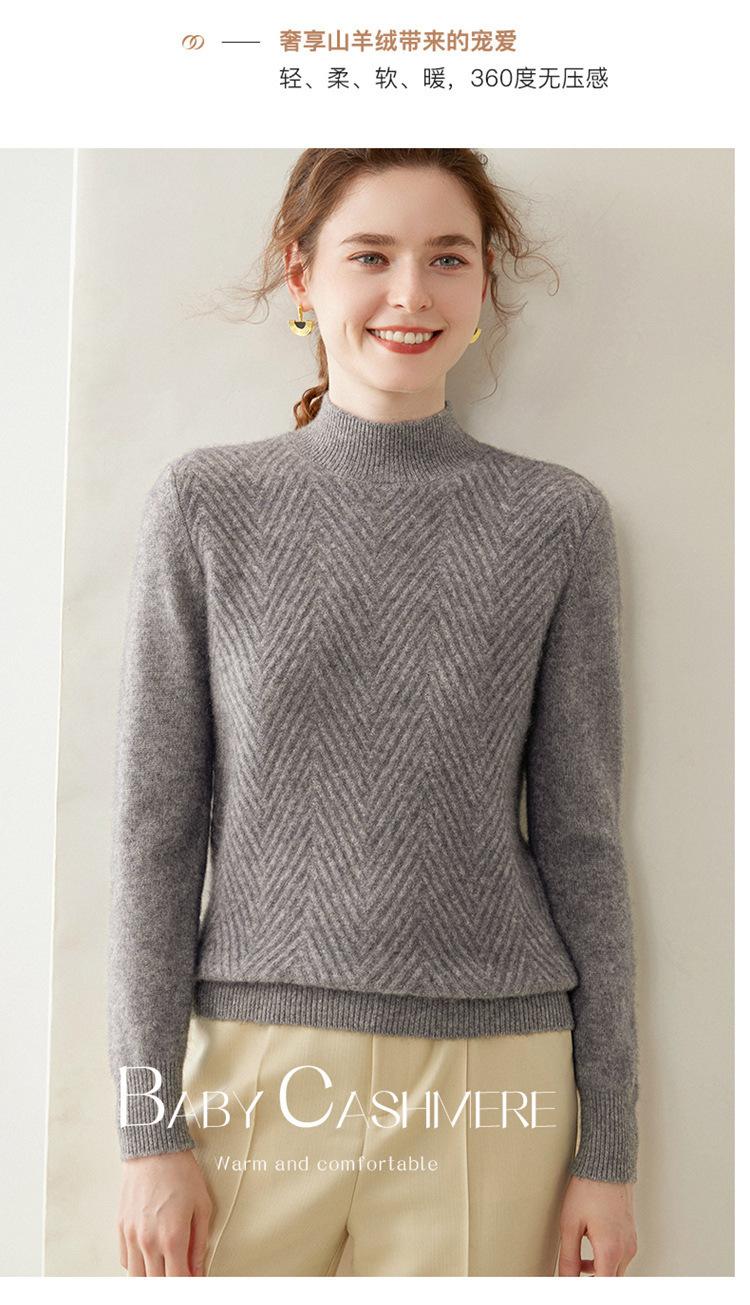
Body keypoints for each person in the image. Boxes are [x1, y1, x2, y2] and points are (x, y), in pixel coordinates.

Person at [108, 148, 639, 1277]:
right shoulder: (206, 505)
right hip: (254, 1065)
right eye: (370, 256)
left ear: (484, 285)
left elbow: (583, 839)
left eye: (447, 258)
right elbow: (154, 837)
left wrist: (610, 1149)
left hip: (493, 1074)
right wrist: (146, 1128)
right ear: (302, 276)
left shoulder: (555, 521)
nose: (411, 292)